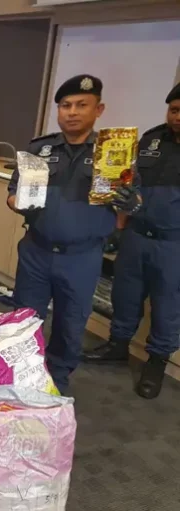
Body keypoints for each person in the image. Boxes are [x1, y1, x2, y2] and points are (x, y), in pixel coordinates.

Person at [6, 74, 141, 395]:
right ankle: (20, 382)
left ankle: (57, 384)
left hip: (81, 258)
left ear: (99, 110)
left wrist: (129, 202)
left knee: (70, 326)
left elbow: (135, 200)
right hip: (36, 251)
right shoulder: (39, 149)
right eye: (66, 105)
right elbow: (12, 193)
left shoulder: (114, 153)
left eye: (82, 105)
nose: (72, 112)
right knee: (23, 323)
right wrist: (18, 202)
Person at [83, 82, 180, 399]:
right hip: (137, 235)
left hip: (173, 244)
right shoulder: (151, 140)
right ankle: (117, 345)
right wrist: (119, 225)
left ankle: (156, 362)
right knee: (125, 294)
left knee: (168, 305)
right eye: (174, 110)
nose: (178, 117)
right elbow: (129, 184)